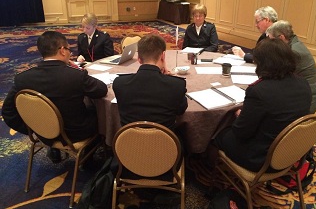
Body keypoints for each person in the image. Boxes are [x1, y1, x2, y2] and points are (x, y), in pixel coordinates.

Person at [2, 31, 108, 162]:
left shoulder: (22, 79)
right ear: (63, 51)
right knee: (99, 112)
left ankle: (53, 147)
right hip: (75, 134)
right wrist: (79, 70)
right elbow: (101, 90)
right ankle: (91, 156)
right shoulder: (75, 76)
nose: (70, 53)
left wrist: (34, 130)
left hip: (43, 132)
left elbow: (8, 112)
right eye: (69, 49)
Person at [213, 38, 312, 172]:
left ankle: (210, 171)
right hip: (291, 151)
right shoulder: (303, 83)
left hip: (263, 159)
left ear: (264, 64)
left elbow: (241, 132)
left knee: (217, 133)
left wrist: (240, 116)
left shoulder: (259, 91)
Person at [113, 34, 188, 131]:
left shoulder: (119, 83)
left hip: (128, 143)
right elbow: (181, 110)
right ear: (163, 56)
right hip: (165, 144)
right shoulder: (176, 86)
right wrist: (167, 78)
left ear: (139, 59)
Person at [266, 20, 316, 113]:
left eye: (272, 40)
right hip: (301, 94)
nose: (270, 44)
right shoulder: (294, 43)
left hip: (305, 103)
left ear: (281, 37)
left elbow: (279, 76)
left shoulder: (294, 52)